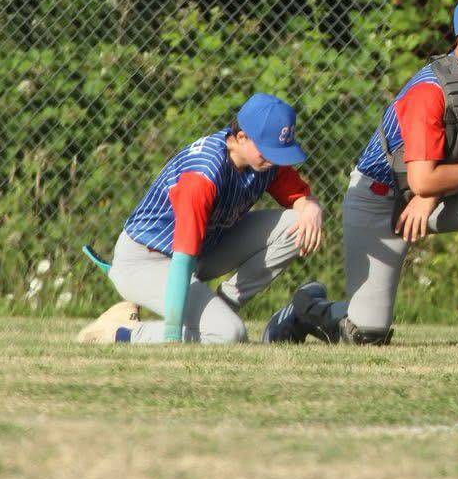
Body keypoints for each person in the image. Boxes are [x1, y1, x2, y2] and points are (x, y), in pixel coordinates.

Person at [271, 0, 458, 349]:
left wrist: (431, 195)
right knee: (367, 333)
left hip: (435, 196)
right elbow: (437, 173)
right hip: (379, 200)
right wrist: (438, 184)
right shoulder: (430, 90)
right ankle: (305, 309)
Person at [78, 93, 322, 344]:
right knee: (230, 335)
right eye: (268, 150)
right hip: (147, 261)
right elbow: (182, 261)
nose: (274, 159)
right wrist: (172, 335)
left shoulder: (264, 161)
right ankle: (121, 332)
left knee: (296, 223)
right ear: (241, 137)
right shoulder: (202, 176)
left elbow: (301, 198)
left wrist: (311, 207)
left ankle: (224, 306)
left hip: (201, 250)